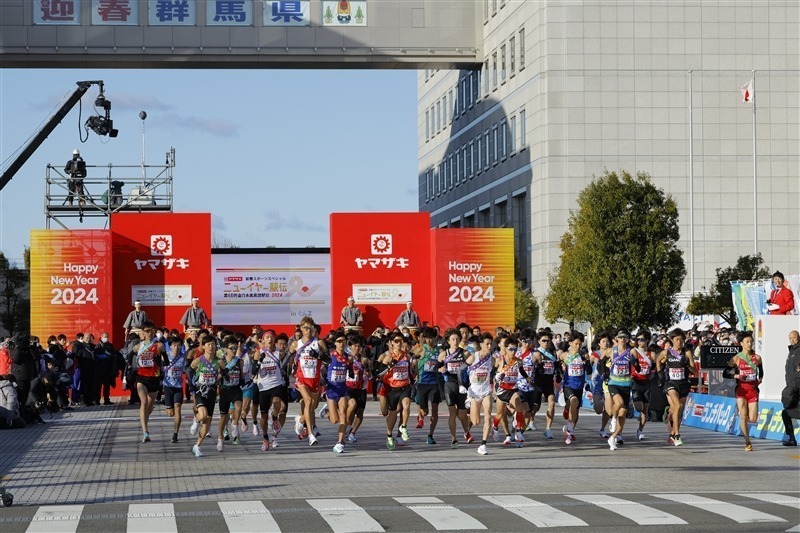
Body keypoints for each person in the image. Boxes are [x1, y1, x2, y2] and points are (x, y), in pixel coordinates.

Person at [290, 317, 327, 445]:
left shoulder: (319, 343)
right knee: (308, 401)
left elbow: (328, 359)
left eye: (310, 328)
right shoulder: (296, 344)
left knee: (313, 407)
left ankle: (300, 420)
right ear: (301, 328)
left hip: (315, 378)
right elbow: (288, 357)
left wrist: (318, 356)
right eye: (305, 328)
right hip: (301, 378)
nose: (307, 330)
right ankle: (311, 434)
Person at [656, 328, 696, 446]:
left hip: (683, 384)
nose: (680, 342)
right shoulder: (667, 352)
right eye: (677, 339)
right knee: (677, 405)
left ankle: (671, 427)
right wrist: (660, 374)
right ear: (672, 340)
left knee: (678, 410)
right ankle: (677, 435)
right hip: (671, 383)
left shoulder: (687, 353)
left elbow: (694, 370)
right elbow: (658, 360)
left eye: (681, 340)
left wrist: (687, 365)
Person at [724, 331, 763, 451]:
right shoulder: (736, 359)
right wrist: (737, 376)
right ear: (741, 343)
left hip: (752, 390)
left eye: (751, 341)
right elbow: (725, 373)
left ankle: (745, 428)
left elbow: (761, 372)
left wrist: (759, 379)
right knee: (743, 416)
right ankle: (747, 442)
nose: (750, 344)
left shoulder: (757, 358)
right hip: (741, 390)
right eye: (747, 342)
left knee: (752, 418)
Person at [129, 323, 167, 443]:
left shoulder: (159, 346)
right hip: (141, 378)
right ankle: (145, 432)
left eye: (151, 331)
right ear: (143, 333)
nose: (149, 333)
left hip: (154, 378)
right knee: (143, 402)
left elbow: (166, 362)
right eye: (146, 331)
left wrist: (159, 362)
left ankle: (145, 415)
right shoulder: (138, 346)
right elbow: (130, 355)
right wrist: (130, 366)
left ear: (154, 331)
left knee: (149, 407)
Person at [189, 334, 220, 458]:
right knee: (203, 415)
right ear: (204, 346)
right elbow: (189, 370)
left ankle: (197, 446)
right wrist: (193, 385)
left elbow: (225, 372)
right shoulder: (198, 360)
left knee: (207, 425)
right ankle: (196, 421)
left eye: (213, 344)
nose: (211, 347)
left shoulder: (219, 361)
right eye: (208, 345)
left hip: (212, 394)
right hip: (200, 392)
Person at [466, 333, 495, 455]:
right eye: (487, 344)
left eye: (490, 344)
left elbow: (496, 371)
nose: (489, 346)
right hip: (474, 391)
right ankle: (468, 404)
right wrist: (462, 385)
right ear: (481, 344)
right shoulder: (473, 357)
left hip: (486, 390)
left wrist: (499, 375)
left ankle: (483, 444)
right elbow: (461, 371)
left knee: (488, 416)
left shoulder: (492, 359)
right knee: (476, 421)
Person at [413, 327, 441, 444]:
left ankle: (430, 435)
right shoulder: (420, 350)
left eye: (431, 338)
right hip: (422, 383)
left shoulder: (439, 351)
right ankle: (420, 406)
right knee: (425, 412)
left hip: (434, 384)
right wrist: (414, 369)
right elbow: (409, 359)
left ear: (435, 338)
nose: (429, 341)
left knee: (435, 411)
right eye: (427, 338)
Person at [780, 330, 800, 446]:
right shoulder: (791, 351)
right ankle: (792, 439)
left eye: (794, 337)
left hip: (797, 389)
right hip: (793, 390)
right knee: (786, 413)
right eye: (790, 338)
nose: (792, 340)